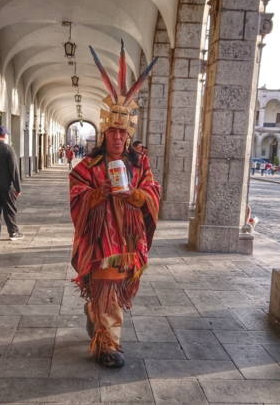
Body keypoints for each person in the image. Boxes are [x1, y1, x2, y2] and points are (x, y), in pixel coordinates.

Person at [70, 40, 160, 368]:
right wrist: (100, 192)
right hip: (101, 240)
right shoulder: (88, 167)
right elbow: (76, 196)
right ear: (104, 132)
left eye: (123, 132)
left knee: (115, 288)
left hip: (130, 240)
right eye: (112, 132)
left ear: (128, 133)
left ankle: (94, 312)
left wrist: (135, 195)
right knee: (107, 289)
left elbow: (152, 192)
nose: (118, 137)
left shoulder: (140, 164)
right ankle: (108, 344)